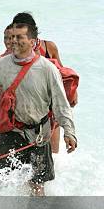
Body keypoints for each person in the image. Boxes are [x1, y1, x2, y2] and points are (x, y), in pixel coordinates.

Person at [0, 19, 77, 196]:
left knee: (37, 187)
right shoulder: (0, 65)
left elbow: (61, 104)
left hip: (39, 135)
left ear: (33, 41)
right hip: (10, 132)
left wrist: (69, 132)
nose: (13, 41)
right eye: (12, 36)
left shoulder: (47, 69)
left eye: (19, 37)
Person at [12, 12, 78, 153]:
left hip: (51, 105)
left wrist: (72, 92)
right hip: (29, 108)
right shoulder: (13, 53)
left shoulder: (49, 47)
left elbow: (61, 72)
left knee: (53, 154)